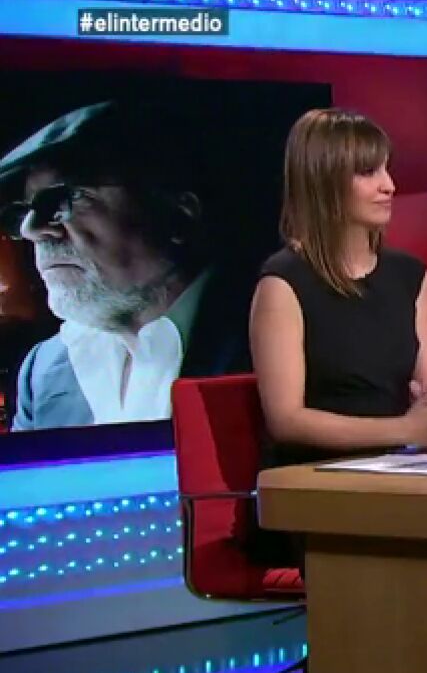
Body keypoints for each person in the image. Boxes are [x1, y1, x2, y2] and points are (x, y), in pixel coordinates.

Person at [248, 108, 427, 673]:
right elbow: (286, 418)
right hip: (313, 490)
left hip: (400, 477)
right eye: (368, 172)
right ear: (326, 181)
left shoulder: (410, 277)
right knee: (394, 597)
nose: (389, 185)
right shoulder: (283, 283)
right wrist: (403, 429)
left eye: (387, 169)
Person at [0, 100, 251, 430]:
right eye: (23, 212)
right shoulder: (43, 371)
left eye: (63, 199)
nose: (31, 230)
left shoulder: (276, 339)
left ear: (178, 215)